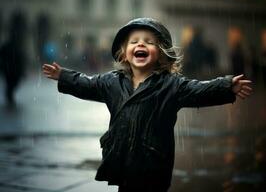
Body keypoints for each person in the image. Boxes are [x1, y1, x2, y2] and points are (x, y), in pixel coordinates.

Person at [42, 18, 252, 192]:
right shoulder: (111, 82)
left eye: (149, 42)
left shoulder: (171, 85)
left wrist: (226, 86)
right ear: (124, 53)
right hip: (121, 156)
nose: (141, 44)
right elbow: (87, 84)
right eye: (134, 41)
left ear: (161, 53)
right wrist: (64, 76)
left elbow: (199, 89)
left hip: (153, 161)